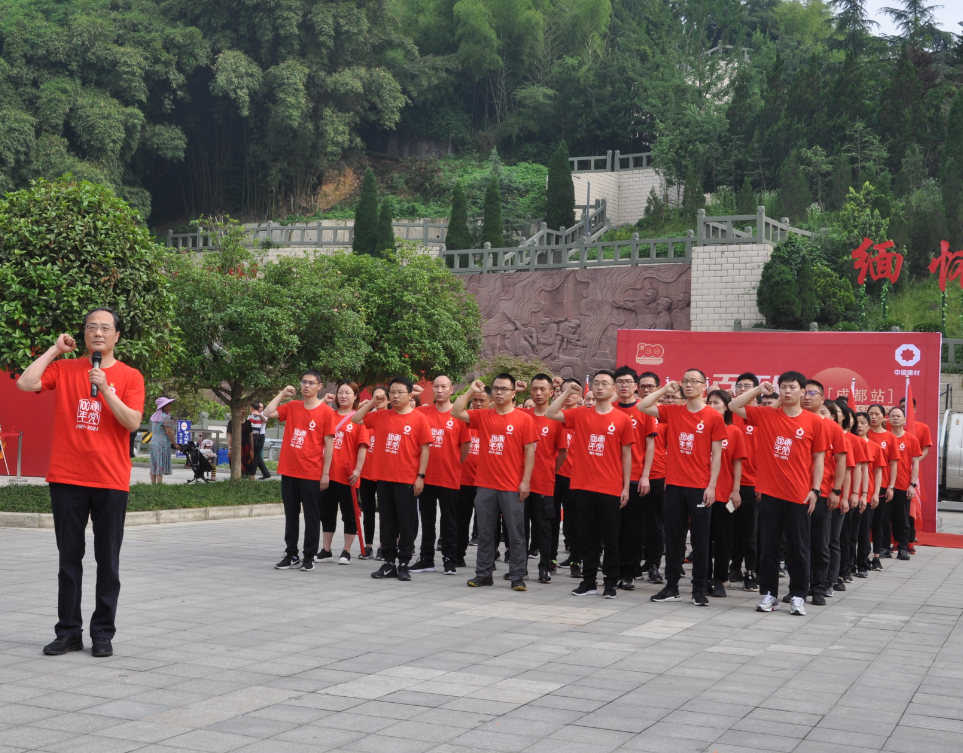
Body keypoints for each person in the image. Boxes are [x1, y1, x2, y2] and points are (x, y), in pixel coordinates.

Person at [18, 308, 145, 658]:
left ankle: (102, 633)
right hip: (67, 477)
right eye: (91, 327)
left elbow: (133, 422)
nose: (98, 333)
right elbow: (25, 383)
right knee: (69, 560)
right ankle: (68, 632)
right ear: (84, 334)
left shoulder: (131, 376)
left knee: (108, 561)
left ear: (117, 336)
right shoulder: (65, 368)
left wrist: (105, 389)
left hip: (110, 479)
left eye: (105, 328)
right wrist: (55, 350)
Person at [730, 372, 828, 617]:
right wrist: (757, 390)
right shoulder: (766, 415)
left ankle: (798, 596)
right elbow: (734, 406)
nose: (787, 391)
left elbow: (819, 459)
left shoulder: (814, 422)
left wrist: (815, 489)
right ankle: (769, 595)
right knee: (769, 548)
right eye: (783, 387)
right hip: (770, 494)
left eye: (792, 387)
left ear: (802, 391)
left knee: (798, 549)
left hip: (799, 495)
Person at [637, 369, 726, 607]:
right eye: (685, 381)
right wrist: (664, 390)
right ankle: (672, 586)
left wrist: (712, 486)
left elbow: (717, 455)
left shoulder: (713, 416)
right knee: (674, 538)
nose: (688, 385)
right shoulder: (673, 411)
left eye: (694, 381)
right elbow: (643, 406)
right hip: (675, 485)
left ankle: (699, 589)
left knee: (700, 540)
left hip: (700, 487)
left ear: (704, 386)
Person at [547, 371, 634, 599]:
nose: (600, 387)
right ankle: (588, 581)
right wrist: (567, 391)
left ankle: (610, 581)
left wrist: (625, 486)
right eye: (596, 383)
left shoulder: (622, 419)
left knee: (611, 537)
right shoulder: (580, 414)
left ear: (614, 389)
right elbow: (550, 413)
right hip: (583, 485)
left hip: (610, 487)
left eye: (605, 383)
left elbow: (627, 455)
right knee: (587, 536)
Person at [452, 374, 537, 591]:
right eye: (496, 388)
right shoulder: (484, 416)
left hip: (511, 485)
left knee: (515, 533)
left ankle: (517, 575)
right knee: (485, 533)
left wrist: (526, 481)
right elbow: (456, 411)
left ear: (513, 393)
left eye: (504, 389)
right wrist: (471, 390)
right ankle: (484, 573)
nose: (499, 392)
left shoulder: (523, 419)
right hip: (485, 484)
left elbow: (530, 451)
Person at [353, 377, 431, 582]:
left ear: (410, 395)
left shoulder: (419, 418)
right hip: (384, 477)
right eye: (392, 392)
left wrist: (420, 476)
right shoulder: (381, 415)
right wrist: (372, 402)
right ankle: (388, 562)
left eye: (400, 392)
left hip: (407, 478)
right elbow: (356, 418)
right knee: (387, 521)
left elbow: (425, 450)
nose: (395, 396)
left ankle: (404, 562)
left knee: (406, 522)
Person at [264, 370, 335, 572]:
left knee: (312, 516)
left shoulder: (326, 412)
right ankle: (291, 554)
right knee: (291, 515)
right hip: (289, 470)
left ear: (319, 386)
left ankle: (309, 556)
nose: (306, 386)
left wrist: (325, 473)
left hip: (311, 472)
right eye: (303, 382)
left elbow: (329, 445)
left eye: (311, 383)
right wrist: (282, 393)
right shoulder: (293, 406)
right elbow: (267, 412)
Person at [412, 376, 471, 575]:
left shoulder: (459, 415)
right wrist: (411, 395)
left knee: (449, 521)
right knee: (427, 520)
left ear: (451, 389)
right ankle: (426, 558)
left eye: (443, 386)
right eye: (436, 386)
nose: (439, 390)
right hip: (425, 476)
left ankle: (449, 559)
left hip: (449, 476)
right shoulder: (423, 413)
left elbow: (465, 447)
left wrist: (452, 463)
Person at [801, 381, 847, 606]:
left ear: (822, 398)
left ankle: (818, 587)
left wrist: (836, 490)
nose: (807, 397)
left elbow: (841, 461)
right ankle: (798, 587)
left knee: (820, 543)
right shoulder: (793, 422)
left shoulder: (832, 428)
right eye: (804, 392)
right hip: (796, 493)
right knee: (798, 544)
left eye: (812, 393)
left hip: (822, 493)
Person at [613, 366, 656, 591]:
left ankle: (629, 571)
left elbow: (650, 444)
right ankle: (614, 570)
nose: (624, 385)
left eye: (628, 382)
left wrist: (646, 475)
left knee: (633, 528)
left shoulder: (644, 410)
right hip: (611, 477)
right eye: (619, 382)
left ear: (635, 386)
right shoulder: (609, 409)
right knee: (613, 528)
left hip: (636, 477)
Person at [524, 374, 568, 584]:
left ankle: (544, 567)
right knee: (520, 528)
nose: (538, 393)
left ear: (551, 392)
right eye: (534, 389)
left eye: (543, 389)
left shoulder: (556, 419)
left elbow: (562, 453)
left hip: (544, 483)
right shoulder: (523, 416)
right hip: (520, 482)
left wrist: (550, 470)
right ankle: (519, 567)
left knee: (544, 527)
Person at [318, 381, 368, 565]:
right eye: (340, 392)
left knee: (350, 514)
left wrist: (358, 469)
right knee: (327, 513)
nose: (343, 396)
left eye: (348, 393)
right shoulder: (329, 415)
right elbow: (313, 413)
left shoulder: (359, 419)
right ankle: (326, 550)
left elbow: (363, 446)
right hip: (327, 473)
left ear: (355, 396)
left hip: (348, 475)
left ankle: (346, 551)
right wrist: (324, 401)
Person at [705, 390, 746, 598]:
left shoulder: (734, 432)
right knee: (703, 539)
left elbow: (737, 463)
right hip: (702, 493)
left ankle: (720, 579)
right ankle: (704, 578)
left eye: (717, 403)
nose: (712, 406)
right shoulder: (701, 429)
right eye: (709, 402)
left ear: (727, 407)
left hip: (725, 495)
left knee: (723, 539)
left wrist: (736, 490)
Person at [729, 373, 760, 591]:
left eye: (747, 386)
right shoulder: (729, 414)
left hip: (751, 484)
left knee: (751, 532)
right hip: (728, 484)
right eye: (739, 386)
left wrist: (761, 483)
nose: (742, 389)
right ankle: (733, 566)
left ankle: (751, 571)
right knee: (731, 528)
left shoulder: (762, 416)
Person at [457, 386, 491, 566]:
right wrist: (470, 391)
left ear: (490, 402)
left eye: (482, 400)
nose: (477, 404)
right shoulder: (464, 421)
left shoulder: (493, 422)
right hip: (463, 480)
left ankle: (489, 558)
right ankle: (458, 555)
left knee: (487, 523)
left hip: (486, 482)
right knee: (461, 520)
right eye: (474, 400)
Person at [638, 371, 667, 584]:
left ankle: (654, 564)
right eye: (643, 386)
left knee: (655, 523)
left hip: (658, 475)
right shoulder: (635, 411)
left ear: (658, 388)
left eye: (651, 386)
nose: (646, 389)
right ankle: (638, 561)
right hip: (634, 475)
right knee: (636, 523)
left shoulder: (666, 414)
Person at [553, 377, 584, 577]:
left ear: (580, 395)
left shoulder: (582, 416)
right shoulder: (555, 416)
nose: (568, 395)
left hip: (576, 477)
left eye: (573, 391)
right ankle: (551, 559)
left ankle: (575, 560)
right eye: (564, 391)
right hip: (555, 475)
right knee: (552, 518)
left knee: (574, 521)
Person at [866, 403, 900, 569]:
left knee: (878, 522)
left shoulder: (890, 437)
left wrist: (891, 486)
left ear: (883, 416)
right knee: (863, 524)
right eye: (870, 414)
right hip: (863, 485)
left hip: (882, 485)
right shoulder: (863, 434)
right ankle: (861, 557)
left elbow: (893, 464)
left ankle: (877, 557)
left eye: (877, 414)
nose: (873, 417)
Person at [887, 407, 922, 560]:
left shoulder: (911, 439)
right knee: (886, 518)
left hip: (903, 484)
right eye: (892, 416)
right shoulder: (886, 437)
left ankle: (903, 547)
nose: (895, 418)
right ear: (888, 419)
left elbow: (916, 463)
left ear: (904, 420)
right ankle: (886, 546)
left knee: (902, 517)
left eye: (898, 416)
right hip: (885, 484)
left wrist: (912, 485)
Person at [853, 412, 884, 578]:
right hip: (849, 494)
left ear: (869, 425)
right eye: (857, 422)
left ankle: (863, 564)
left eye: (863, 423)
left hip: (867, 494)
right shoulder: (848, 442)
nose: (859, 426)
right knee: (849, 533)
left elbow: (878, 472)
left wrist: (876, 493)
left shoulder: (874, 447)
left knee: (864, 531)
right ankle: (849, 565)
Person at [358, 386, 388, 560]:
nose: (378, 400)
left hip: (384, 473)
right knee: (368, 511)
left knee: (385, 513)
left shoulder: (391, 419)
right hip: (367, 472)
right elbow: (355, 418)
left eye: (382, 397)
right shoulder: (368, 419)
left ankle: (383, 546)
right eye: (375, 397)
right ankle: (368, 545)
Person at [898, 396, 931, 550]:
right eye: (902, 407)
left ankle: (911, 537)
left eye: (908, 407)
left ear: (915, 409)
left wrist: (913, 462)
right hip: (896, 471)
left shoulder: (922, 427)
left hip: (912, 471)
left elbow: (925, 450)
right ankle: (896, 538)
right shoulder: (893, 426)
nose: (905, 409)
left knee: (911, 503)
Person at [148, 397, 177, 484]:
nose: (170, 406)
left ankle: (153, 484)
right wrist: (174, 444)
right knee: (160, 463)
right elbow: (169, 433)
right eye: (168, 404)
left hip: (154, 442)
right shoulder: (166, 418)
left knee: (154, 463)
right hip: (162, 443)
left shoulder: (154, 416)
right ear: (163, 406)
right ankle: (160, 485)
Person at [226, 413, 256, 481]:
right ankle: (236, 482)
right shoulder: (232, 423)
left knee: (251, 469)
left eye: (244, 409)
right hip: (236, 448)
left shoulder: (248, 422)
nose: (243, 411)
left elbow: (250, 436)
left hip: (247, 449)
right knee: (236, 468)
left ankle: (252, 484)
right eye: (241, 409)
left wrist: (252, 449)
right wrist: (230, 449)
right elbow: (229, 436)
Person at [248, 402, 272, 480]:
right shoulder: (252, 414)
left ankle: (252, 473)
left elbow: (265, 421)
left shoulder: (263, 414)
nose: (260, 408)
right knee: (257, 456)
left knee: (256, 456)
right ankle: (266, 473)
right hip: (254, 436)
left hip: (260, 436)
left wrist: (260, 415)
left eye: (261, 407)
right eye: (259, 407)